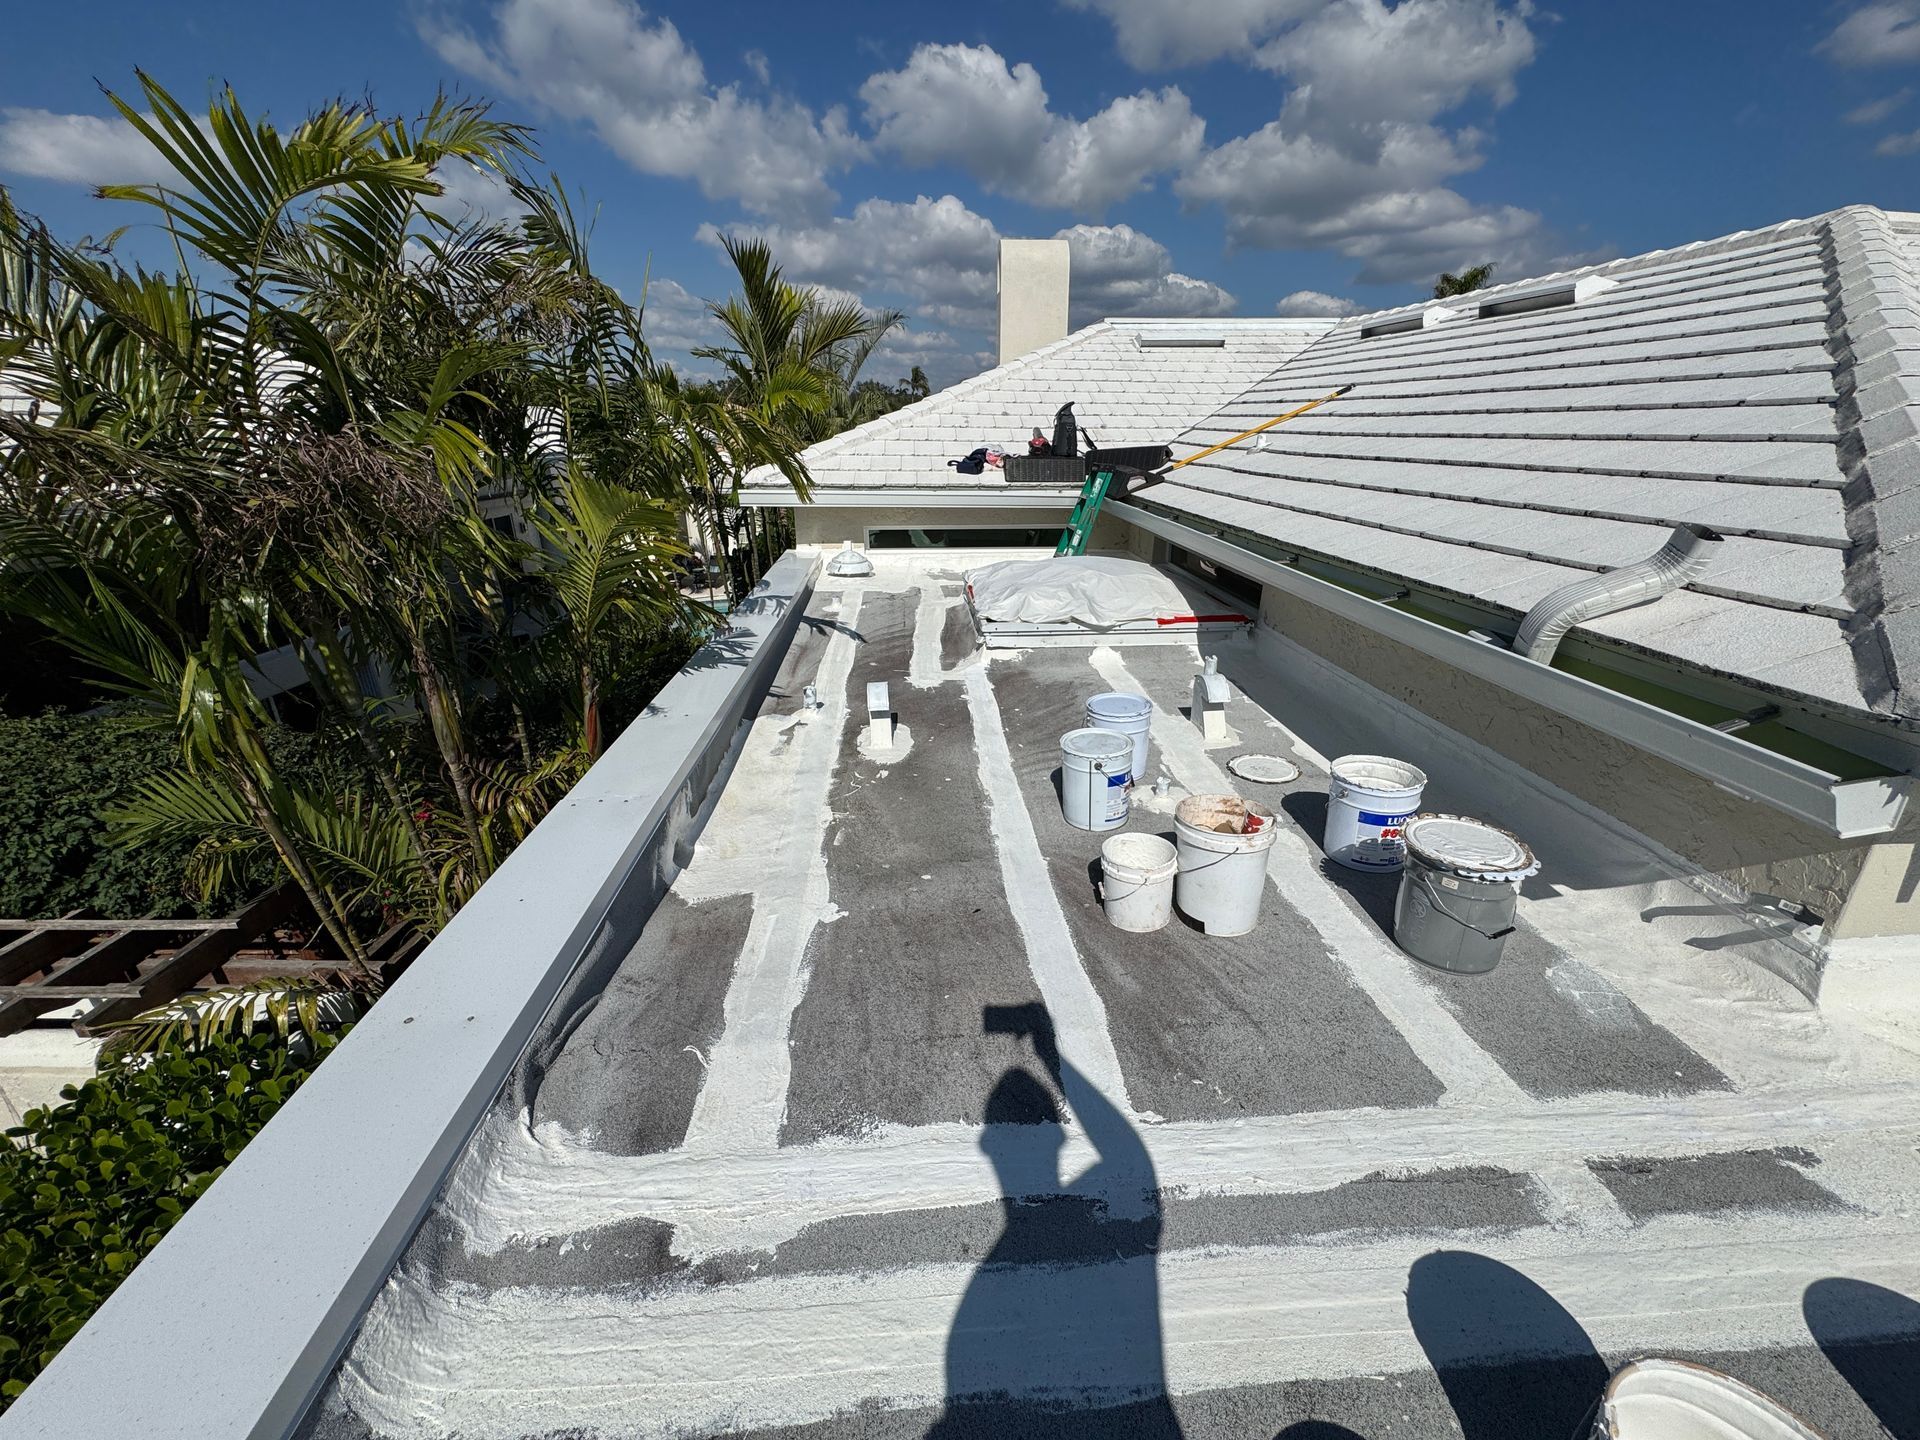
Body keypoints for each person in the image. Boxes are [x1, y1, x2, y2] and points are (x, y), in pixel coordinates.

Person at [931, 1005, 1181, 1437]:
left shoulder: (985, 1292)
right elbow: (1128, 1156)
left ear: (989, 1148)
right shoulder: (1111, 1219)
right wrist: (1048, 1050)